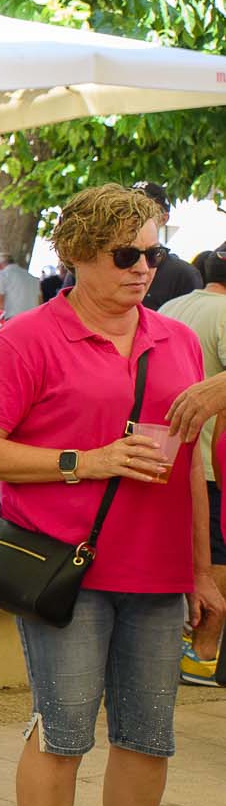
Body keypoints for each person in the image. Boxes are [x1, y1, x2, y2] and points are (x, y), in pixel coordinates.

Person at [0, 185, 223, 806]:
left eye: (154, 252)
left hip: (159, 566)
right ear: (76, 255)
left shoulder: (176, 341)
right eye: (126, 254)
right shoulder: (30, 339)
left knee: (149, 737)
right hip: (62, 565)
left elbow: (193, 465)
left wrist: (204, 571)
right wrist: (88, 462)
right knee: (64, 731)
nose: (144, 267)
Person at [159, 249, 226, 685]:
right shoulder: (225, 313)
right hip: (209, 458)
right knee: (217, 551)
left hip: (172, 452)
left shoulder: (170, 306)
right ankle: (203, 652)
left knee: (196, 549)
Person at [133, 182, 202, 310]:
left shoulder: (183, 275)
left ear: (164, 219)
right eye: (128, 206)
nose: (135, 213)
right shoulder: (107, 262)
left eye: (146, 209)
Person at [0, 251, 43, 321]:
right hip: (31, 319)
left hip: (11, 319)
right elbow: (40, 302)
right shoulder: (33, 278)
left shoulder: (1, 275)